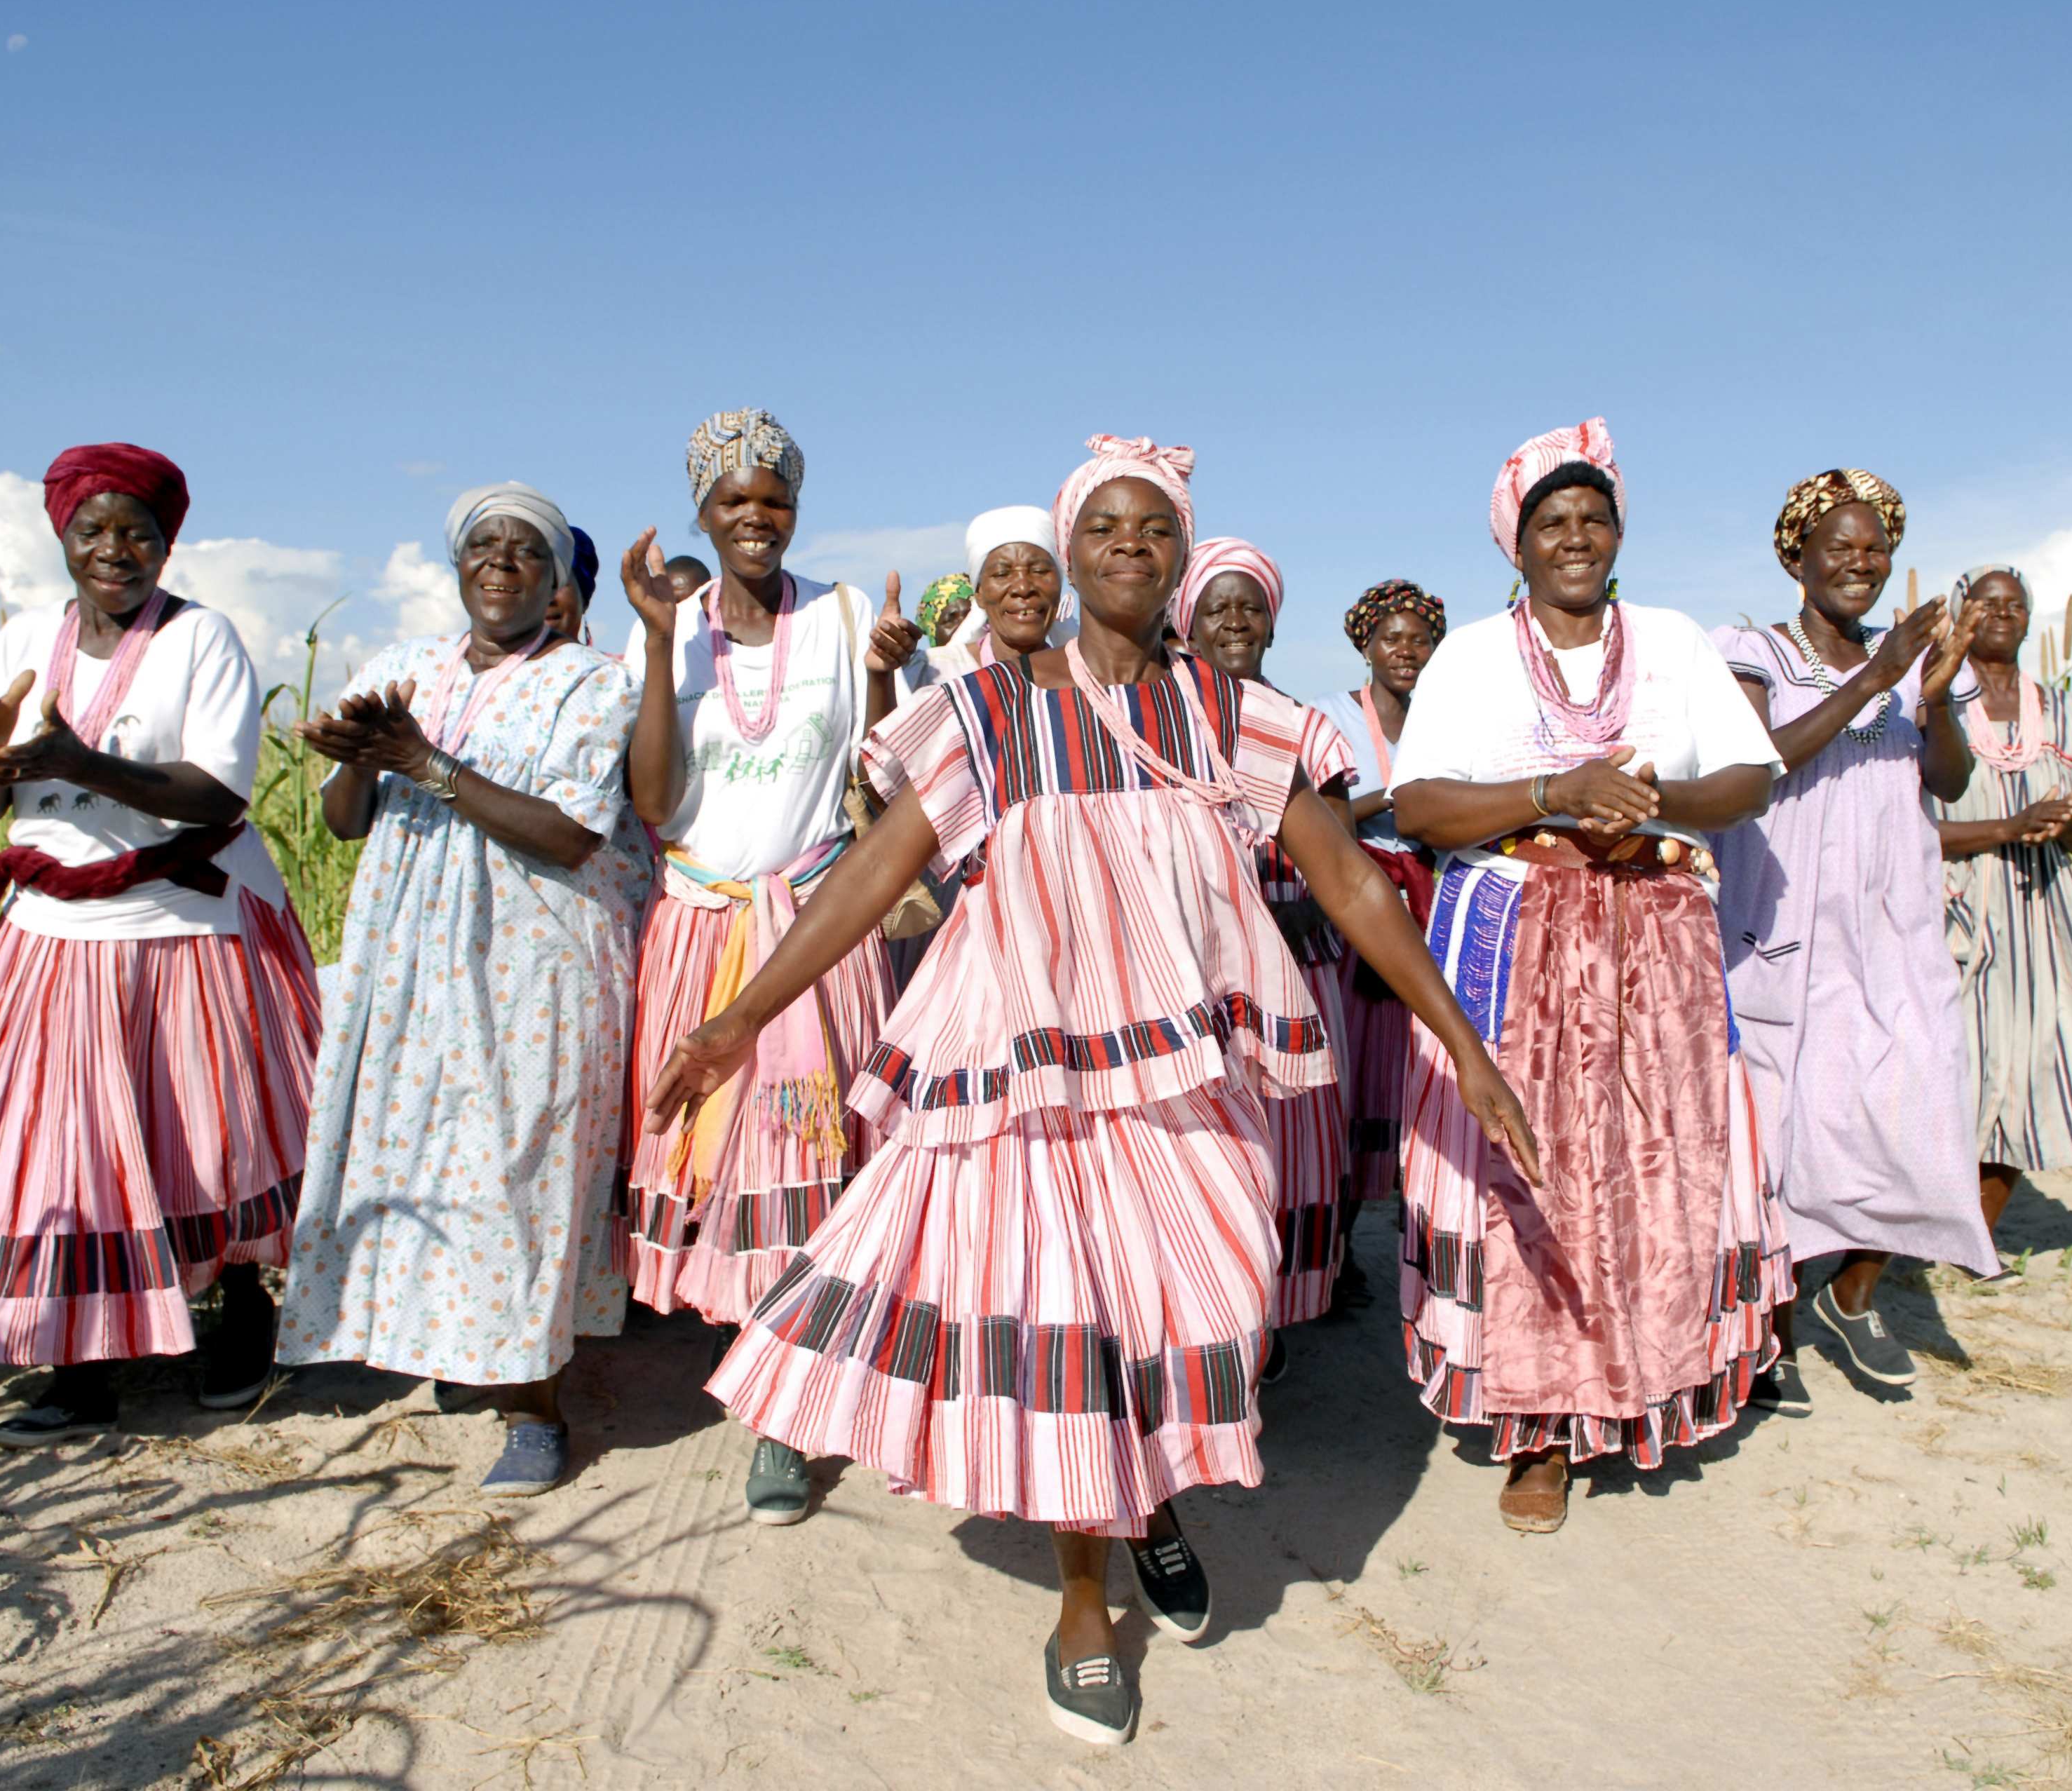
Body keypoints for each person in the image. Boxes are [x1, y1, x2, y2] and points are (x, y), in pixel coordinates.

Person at [657, 434, 1540, 1745]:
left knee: (1199, 1310)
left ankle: (1152, 1501)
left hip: (1190, 1077)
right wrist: (738, 1018)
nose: (1132, 544)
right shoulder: (988, 712)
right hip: (1027, 1078)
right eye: (1106, 527)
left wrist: (1460, 1037)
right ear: (1068, 554)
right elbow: (860, 875)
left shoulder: (1235, 718)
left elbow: (1351, 879)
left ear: (1181, 557)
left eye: (1156, 529)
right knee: (1072, 1322)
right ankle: (1085, 1599)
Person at [0, 443, 318, 1447]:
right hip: (53, 933)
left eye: (138, 532)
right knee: (65, 1151)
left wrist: (75, 760)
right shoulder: (23, 637)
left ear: (167, 542)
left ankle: (241, 1316)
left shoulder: (202, 639)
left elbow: (217, 794)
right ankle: (83, 1361)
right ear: (62, 539)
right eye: (94, 531)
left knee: (205, 1134)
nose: (118, 549)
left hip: (184, 926)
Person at [1388, 419, 1790, 1532]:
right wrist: (1552, 795)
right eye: (1551, 523)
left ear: (1619, 535)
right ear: (1515, 549)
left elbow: (1751, 775)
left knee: (1654, 1166)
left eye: (1593, 519)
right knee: (1533, 1174)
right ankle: (1541, 1431)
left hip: (1654, 937)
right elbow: (1421, 807)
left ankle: (1644, 1385)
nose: (1575, 537)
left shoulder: (1666, 640)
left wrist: (1649, 801)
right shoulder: (1472, 654)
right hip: (1517, 942)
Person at [278, 482, 652, 1496]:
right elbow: (346, 823)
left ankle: (535, 1407)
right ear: (457, 568)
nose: (500, 564)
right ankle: (460, 1349)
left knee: (519, 1168)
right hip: (408, 953)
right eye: (482, 547)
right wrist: (358, 757)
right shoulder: (404, 667)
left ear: (552, 578)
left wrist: (422, 760)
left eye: (524, 552)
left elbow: (572, 836)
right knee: (418, 1155)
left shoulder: (593, 683)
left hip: (533, 963)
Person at [615, 407, 921, 1525]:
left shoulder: (842, 620)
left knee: (811, 1157)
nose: (756, 517)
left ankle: (785, 1420)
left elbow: (886, 786)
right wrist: (655, 644)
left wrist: (885, 677)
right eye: (734, 500)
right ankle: (756, 1358)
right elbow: (652, 804)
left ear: (797, 511)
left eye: (774, 499)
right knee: (721, 1166)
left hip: (812, 929)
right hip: (699, 927)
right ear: (703, 509)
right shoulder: (672, 623)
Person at [1709, 468, 1996, 1407]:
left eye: (1877, 550)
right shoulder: (1752, 651)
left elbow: (1946, 784)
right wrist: (1878, 678)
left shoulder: (1914, 663)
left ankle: (1858, 1291)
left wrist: (1939, 696)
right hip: (1782, 923)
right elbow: (1757, 766)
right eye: (1841, 547)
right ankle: (1774, 1333)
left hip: (1891, 925)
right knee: (1782, 1135)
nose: (1862, 563)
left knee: (1913, 1105)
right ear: (1797, 558)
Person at [1933, 564, 2072, 1239]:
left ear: (2030, 618)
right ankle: (1911, 1235)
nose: (2003, 614)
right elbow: (1908, 830)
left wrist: (2068, 823)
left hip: (2042, 914)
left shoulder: (2067, 715)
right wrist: (2006, 827)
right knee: (1953, 1071)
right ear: (1961, 613)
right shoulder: (1933, 707)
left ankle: (1971, 1239)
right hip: (1951, 909)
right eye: (1987, 603)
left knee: (2031, 1071)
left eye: (2016, 605)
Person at [1173, 536, 1357, 1351]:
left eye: (1250, 607)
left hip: (1297, 965)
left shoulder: (1309, 730)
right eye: (1217, 608)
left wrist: (1283, 921)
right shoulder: (1165, 722)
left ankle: (1267, 1331)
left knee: (1292, 1149)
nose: (1235, 622)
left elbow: (1343, 866)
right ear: (1189, 626)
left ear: (1274, 626)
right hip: (1194, 976)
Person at [1311, 579, 1447, 1305]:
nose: (1405, 651)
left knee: (1410, 1076)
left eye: (1419, 639)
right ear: (1364, 645)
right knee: (1352, 1080)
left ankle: (1408, 1243)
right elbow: (1317, 811)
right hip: (1354, 913)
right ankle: (1333, 1252)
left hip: (1425, 904)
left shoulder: (1449, 717)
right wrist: (1397, 799)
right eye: (1390, 638)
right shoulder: (1331, 717)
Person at [923, 506, 1077, 682]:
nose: (1023, 588)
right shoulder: (935, 674)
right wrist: (883, 677)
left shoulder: (1087, 682)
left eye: (1040, 571)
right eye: (1002, 574)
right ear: (979, 594)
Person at [544, 526, 601, 642]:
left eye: (559, 582)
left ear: (585, 600)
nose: (547, 598)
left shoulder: (608, 661)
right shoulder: (499, 660)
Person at [914, 572, 975, 648]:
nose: (963, 626)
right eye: (949, 621)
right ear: (933, 635)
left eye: (972, 616)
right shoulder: (920, 659)